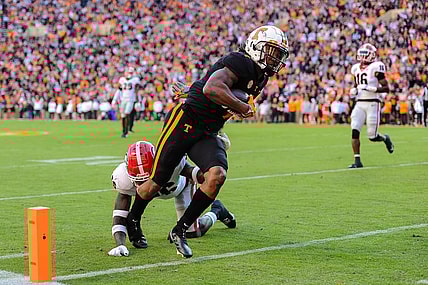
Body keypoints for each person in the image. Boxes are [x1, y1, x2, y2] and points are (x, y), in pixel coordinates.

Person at [135, 25, 289, 258]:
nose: (274, 58)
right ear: (255, 46)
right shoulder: (241, 61)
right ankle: (133, 220)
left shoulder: (260, 76)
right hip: (186, 122)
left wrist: (196, 92)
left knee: (217, 175)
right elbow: (212, 87)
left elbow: (213, 88)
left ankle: (181, 229)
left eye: (278, 54)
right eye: (271, 51)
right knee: (156, 182)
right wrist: (243, 107)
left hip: (208, 130)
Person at [108, 140, 236, 257]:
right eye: (139, 181)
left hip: (182, 187)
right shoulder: (122, 179)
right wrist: (120, 244)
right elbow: (119, 216)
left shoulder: (170, 162)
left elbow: (196, 174)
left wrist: (212, 161)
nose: (143, 186)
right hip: (166, 189)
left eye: (147, 180)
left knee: (193, 232)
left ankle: (217, 211)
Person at [348, 43, 394, 168]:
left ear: (372, 55)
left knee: (372, 136)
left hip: (373, 103)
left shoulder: (376, 67)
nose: (362, 58)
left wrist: (370, 88)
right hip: (359, 103)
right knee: (355, 130)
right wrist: (354, 91)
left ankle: (385, 139)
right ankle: (357, 161)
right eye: (361, 55)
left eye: (365, 55)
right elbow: (356, 85)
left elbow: (386, 88)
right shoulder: (356, 68)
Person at [112, 67, 141, 138]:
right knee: (123, 116)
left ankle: (126, 131)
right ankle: (124, 131)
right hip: (123, 100)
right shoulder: (122, 80)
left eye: (130, 72)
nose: (129, 74)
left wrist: (138, 101)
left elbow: (136, 91)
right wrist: (114, 99)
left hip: (131, 100)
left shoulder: (135, 80)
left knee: (127, 113)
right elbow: (119, 90)